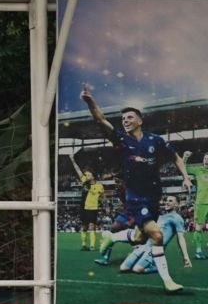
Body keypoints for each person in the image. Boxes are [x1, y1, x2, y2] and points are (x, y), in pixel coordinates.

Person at [81, 83, 189, 292]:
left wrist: (185, 177)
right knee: (156, 235)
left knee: (140, 237)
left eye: (129, 117)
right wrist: (90, 102)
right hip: (135, 196)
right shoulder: (121, 139)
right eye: (123, 119)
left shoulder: (155, 140)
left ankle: (112, 237)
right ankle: (168, 281)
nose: (125, 121)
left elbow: (176, 157)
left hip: (154, 195)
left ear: (140, 120)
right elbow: (101, 120)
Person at [124, 194, 191, 276]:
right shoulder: (161, 216)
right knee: (125, 267)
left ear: (176, 205)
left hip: (156, 249)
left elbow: (180, 238)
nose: (167, 202)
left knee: (137, 269)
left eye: (170, 201)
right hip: (146, 245)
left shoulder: (177, 218)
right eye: (166, 200)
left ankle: (157, 266)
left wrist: (185, 257)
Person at [68, 152, 103, 251]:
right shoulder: (85, 182)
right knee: (83, 226)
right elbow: (78, 170)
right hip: (83, 207)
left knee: (92, 227)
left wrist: (106, 206)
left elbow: (102, 196)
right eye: (86, 174)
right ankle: (83, 245)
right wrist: (72, 160)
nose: (86, 175)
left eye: (88, 174)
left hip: (93, 208)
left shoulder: (99, 185)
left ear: (93, 176)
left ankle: (92, 246)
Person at [181, 150, 208, 259]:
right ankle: (198, 251)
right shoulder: (198, 170)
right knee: (198, 228)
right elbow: (183, 168)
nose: (206, 160)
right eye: (205, 158)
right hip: (201, 203)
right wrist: (185, 157)